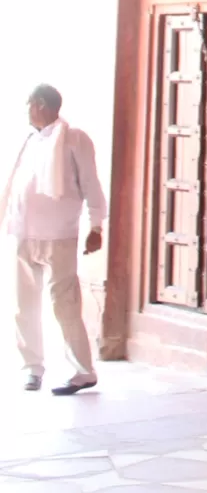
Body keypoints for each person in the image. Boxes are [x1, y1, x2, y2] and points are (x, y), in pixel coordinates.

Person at [1, 84, 105, 394]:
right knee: (23, 307)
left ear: (40, 104)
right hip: (23, 233)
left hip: (59, 236)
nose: (26, 111)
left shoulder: (74, 138)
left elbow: (92, 186)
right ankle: (32, 369)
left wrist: (96, 227)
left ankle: (83, 371)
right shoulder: (28, 140)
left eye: (29, 104)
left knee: (65, 305)